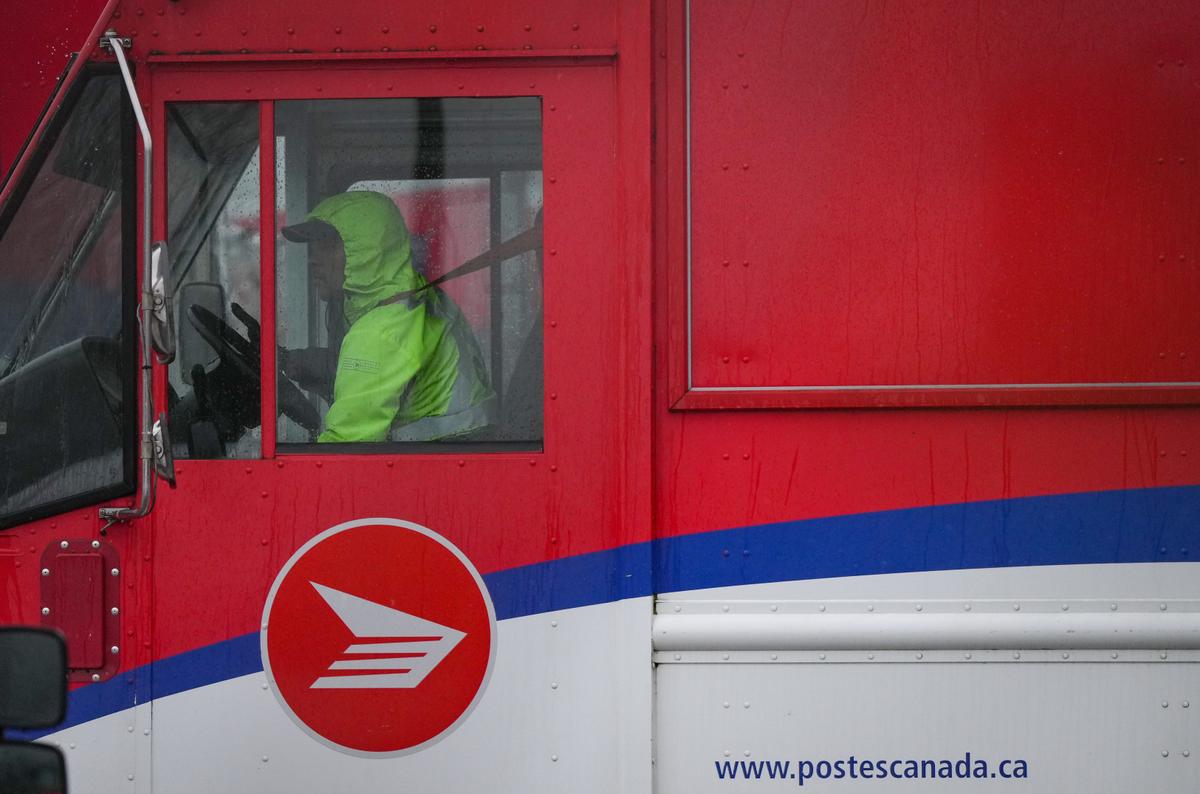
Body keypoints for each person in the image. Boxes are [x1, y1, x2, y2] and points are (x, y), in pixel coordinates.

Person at [281, 190, 494, 443]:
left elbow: (343, 452)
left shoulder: (377, 332)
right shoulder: (417, 296)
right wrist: (293, 361)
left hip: (431, 470)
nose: (312, 260)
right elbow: (385, 372)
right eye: (313, 249)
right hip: (466, 453)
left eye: (327, 247)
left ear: (367, 252)